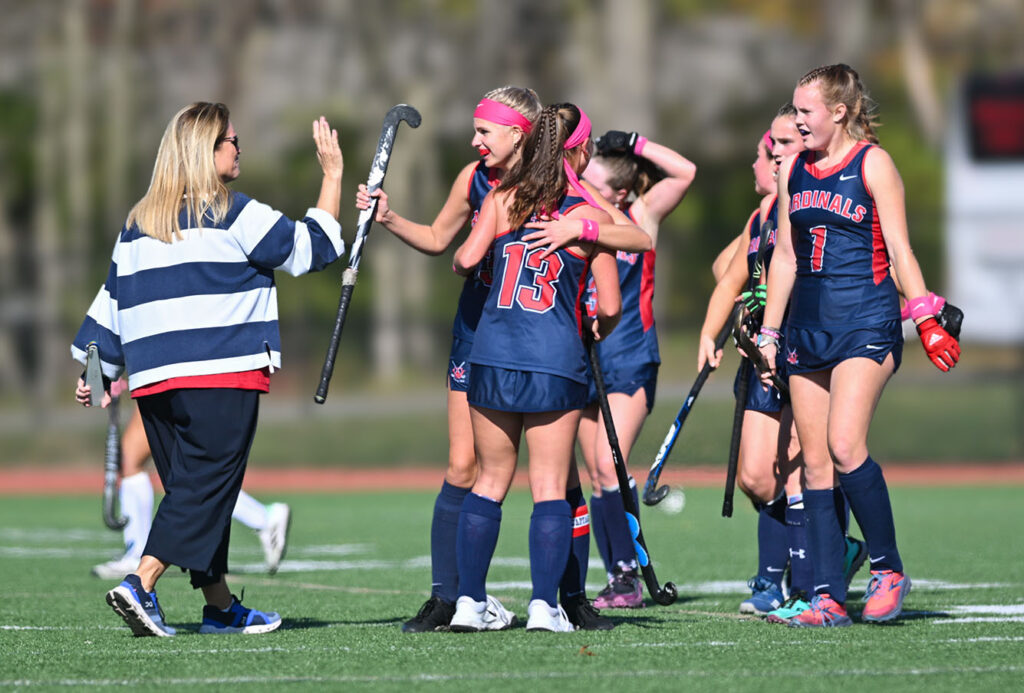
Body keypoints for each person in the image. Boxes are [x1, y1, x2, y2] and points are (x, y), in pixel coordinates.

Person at [356, 87, 648, 632]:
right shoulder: (478, 181)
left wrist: (570, 234)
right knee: (480, 470)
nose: (475, 141)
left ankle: (567, 597)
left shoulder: (565, 196)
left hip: (514, 343)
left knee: (545, 481)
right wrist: (390, 218)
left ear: (521, 134)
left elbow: (465, 259)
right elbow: (447, 243)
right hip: (490, 337)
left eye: (485, 131)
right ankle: (459, 598)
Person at [72, 102, 345, 637]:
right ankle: (141, 583)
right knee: (206, 488)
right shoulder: (233, 211)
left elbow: (111, 303)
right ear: (206, 150)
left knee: (196, 492)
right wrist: (333, 176)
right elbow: (315, 249)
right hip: (220, 374)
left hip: (154, 384)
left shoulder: (137, 224)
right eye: (232, 141)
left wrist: (96, 373)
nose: (239, 148)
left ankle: (220, 607)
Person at [758, 64, 959, 627]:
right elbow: (786, 256)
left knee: (845, 447)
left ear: (839, 112)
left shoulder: (873, 163)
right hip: (806, 328)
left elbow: (899, 249)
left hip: (866, 322)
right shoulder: (793, 167)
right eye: (795, 111)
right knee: (814, 465)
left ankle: (887, 569)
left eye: (805, 111)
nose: (796, 121)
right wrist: (771, 332)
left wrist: (924, 318)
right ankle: (825, 596)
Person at [448, 103, 621, 633]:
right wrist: (593, 325)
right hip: (555, 361)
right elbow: (610, 306)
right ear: (577, 152)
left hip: (493, 354)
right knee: (549, 485)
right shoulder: (587, 213)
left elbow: (463, 260)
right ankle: (546, 606)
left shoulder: (500, 197)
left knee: (489, 481)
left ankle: (469, 603)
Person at [699, 107, 867, 621]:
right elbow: (728, 271)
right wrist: (722, 327)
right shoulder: (767, 210)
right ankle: (830, 553)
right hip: (766, 351)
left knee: (805, 465)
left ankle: (803, 582)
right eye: (766, 149)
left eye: (776, 147)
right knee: (756, 474)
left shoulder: (822, 197)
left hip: (809, 347)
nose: (769, 156)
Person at [567, 131, 695, 608]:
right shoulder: (576, 214)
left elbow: (686, 172)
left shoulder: (640, 216)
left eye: (596, 185)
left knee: (608, 462)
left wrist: (635, 143)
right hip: (582, 359)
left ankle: (629, 576)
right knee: (595, 474)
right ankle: (619, 575)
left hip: (630, 357)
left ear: (620, 194)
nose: (585, 189)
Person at [91, 399, 292, 579]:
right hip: (169, 371)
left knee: (135, 459)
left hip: (166, 372)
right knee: (177, 469)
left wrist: (112, 368)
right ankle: (263, 517)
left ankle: (137, 555)